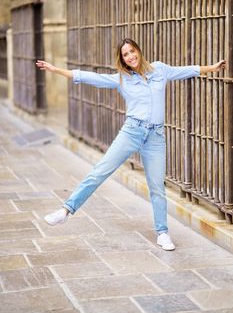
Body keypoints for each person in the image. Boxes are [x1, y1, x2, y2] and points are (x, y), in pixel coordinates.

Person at [36, 38, 226, 251]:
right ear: (123, 60)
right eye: (125, 55)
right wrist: (56, 70)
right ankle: (65, 211)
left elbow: (187, 70)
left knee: (157, 188)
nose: (130, 56)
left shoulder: (160, 70)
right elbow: (91, 77)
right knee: (100, 172)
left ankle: (162, 233)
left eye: (132, 51)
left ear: (139, 51)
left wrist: (213, 67)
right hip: (131, 132)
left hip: (155, 137)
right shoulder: (122, 79)